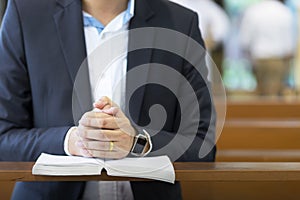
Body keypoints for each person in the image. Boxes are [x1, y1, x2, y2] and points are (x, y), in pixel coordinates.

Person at [0, 0, 216, 199]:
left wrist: (137, 142)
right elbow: (4, 137)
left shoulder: (180, 23)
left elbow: (202, 144)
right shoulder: (26, 15)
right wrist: (71, 140)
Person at [239, 0, 296, 96]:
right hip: (278, 60)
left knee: (261, 94)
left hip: (259, 59)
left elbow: (245, 41)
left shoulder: (253, 11)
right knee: (274, 95)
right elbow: (289, 45)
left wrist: (249, 59)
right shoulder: (284, 11)